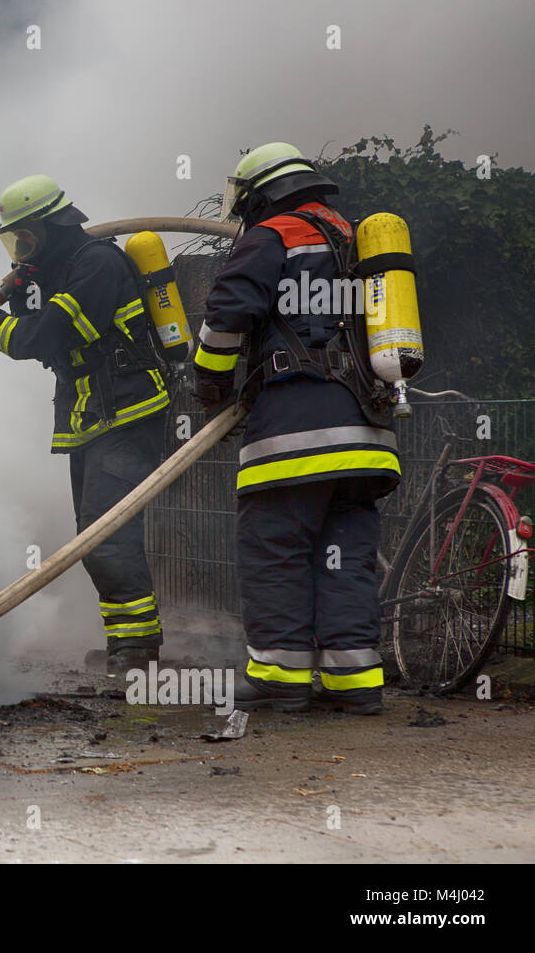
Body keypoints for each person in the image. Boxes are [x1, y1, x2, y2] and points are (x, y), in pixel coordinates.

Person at [193, 143, 400, 714]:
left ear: (261, 194)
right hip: (368, 442)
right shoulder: (360, 239)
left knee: (277, 551)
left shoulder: (273, 235)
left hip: (296, 437)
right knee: (344, 558)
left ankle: (281, 680)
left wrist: (212, 388)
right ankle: (355, 686)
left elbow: (227, 317)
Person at [0, 175, 170, 674]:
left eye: (26, 236)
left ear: (52, 226)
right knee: (94, 536)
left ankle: (136, 654)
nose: (21, 248)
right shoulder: (56, 270)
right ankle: (128, 644)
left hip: (127, 412)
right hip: (88, 417)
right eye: (14, 239)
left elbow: (44, 337)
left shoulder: (97, 264)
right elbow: (34, 321)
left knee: (105, 536)